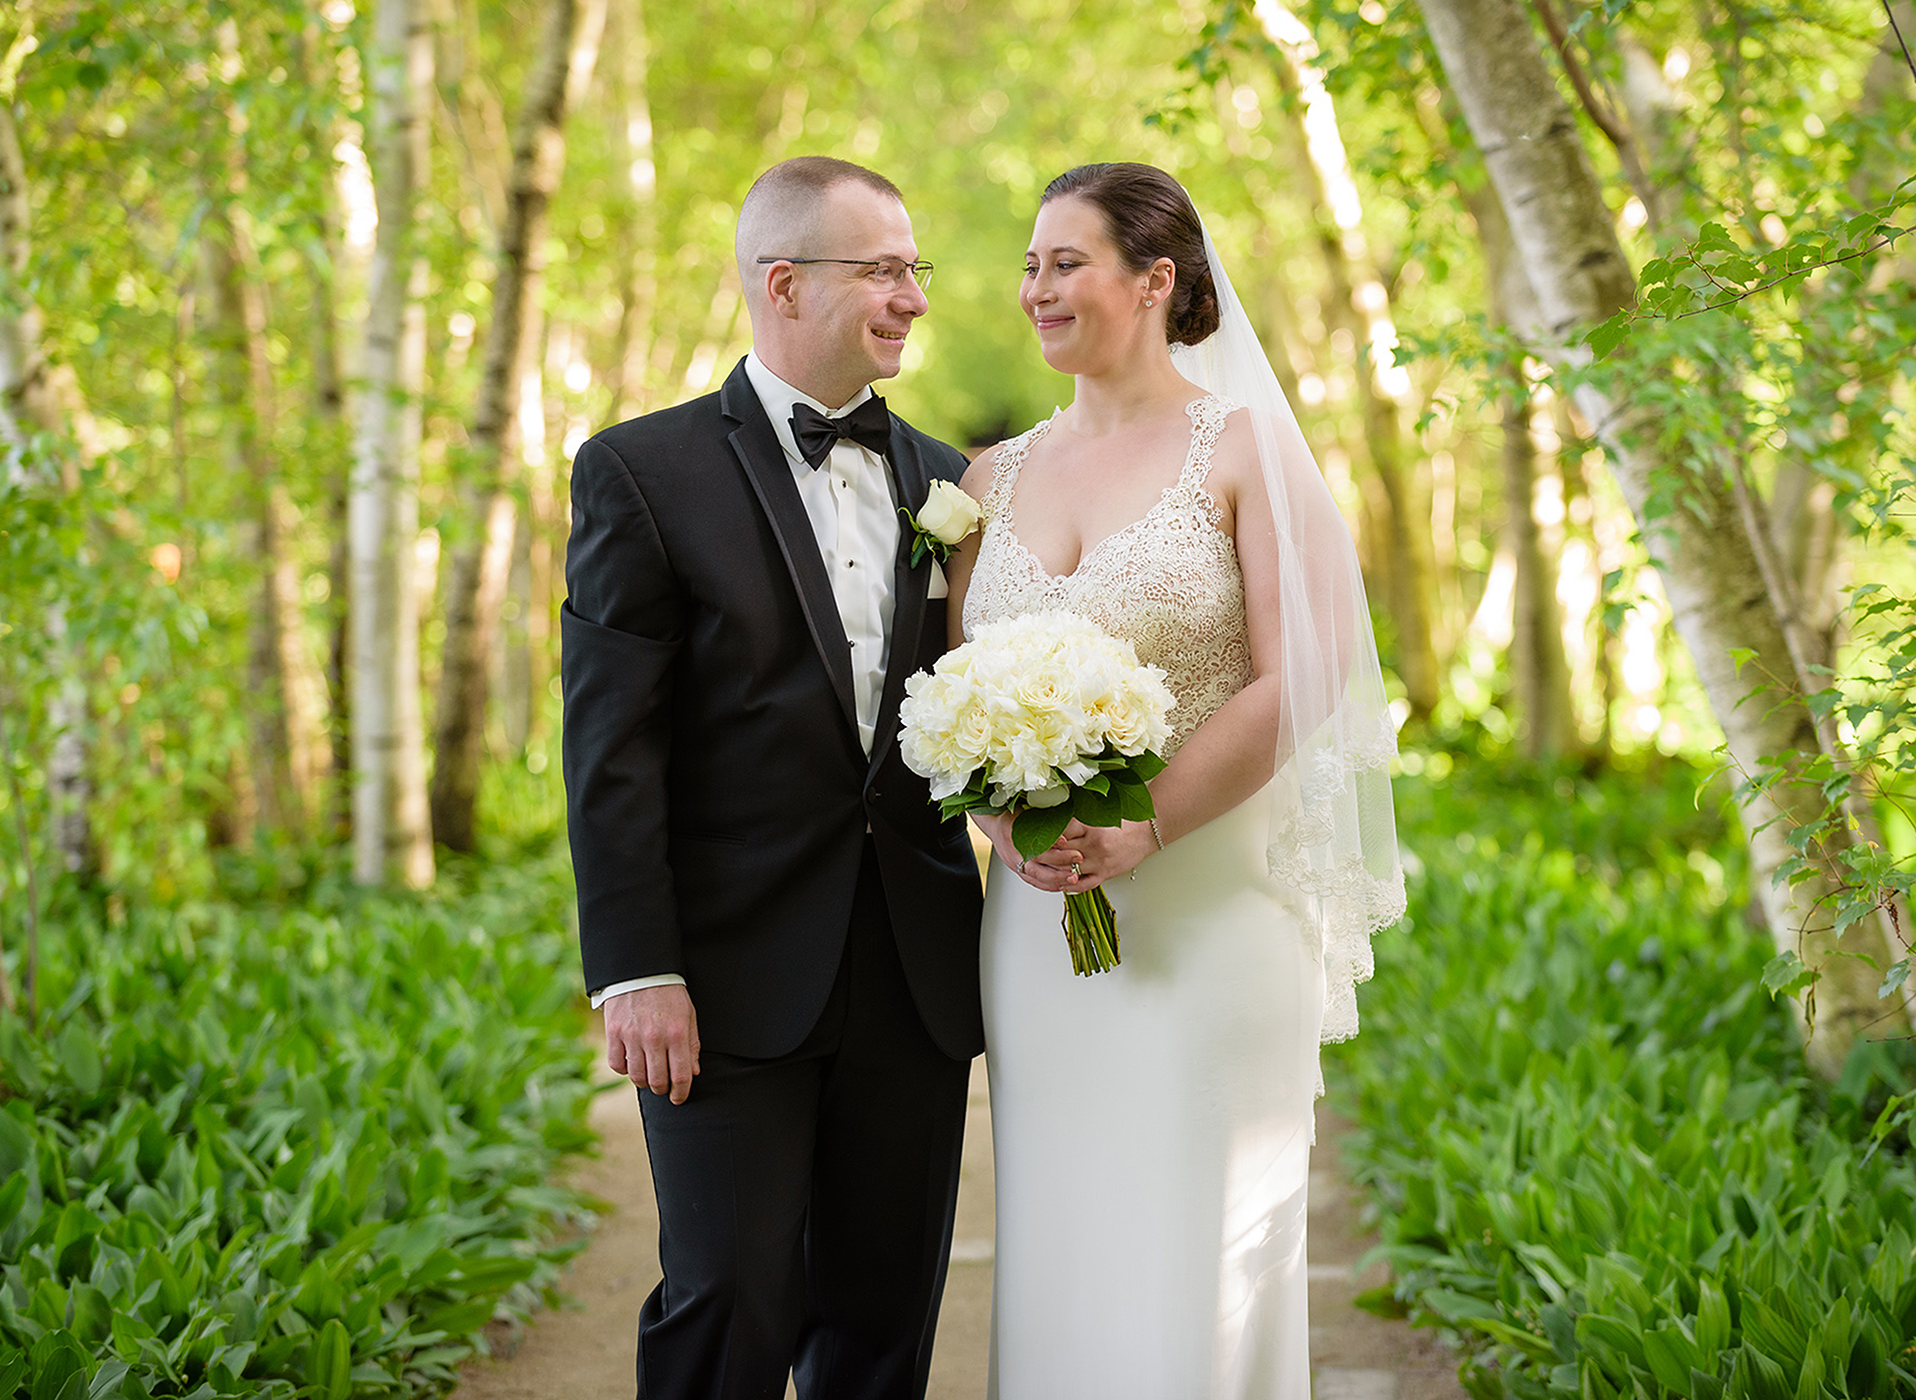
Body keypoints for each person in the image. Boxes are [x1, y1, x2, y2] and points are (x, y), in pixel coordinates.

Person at [943, 162, 1406, 1397]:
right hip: (1040, 930)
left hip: (1207, 917)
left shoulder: (1245, 449)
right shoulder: (986, 480)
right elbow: (949, 697)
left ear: (1155, 281)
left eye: (1065, 261)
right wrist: (1006, 819)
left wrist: (1142, 823)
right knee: (1062, 1228)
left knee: (1192, 1243)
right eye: (1030, 263)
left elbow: (1302, 673)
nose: (1036, 288)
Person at [561, 155, 983, 1400]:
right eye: (886, 270)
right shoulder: (641, 471)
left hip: (909, 971)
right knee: (729, 1297)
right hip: (724, 976)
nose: (913, 295)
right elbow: (609, 748)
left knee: (882, 1315)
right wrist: (637, 968)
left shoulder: (948, 479)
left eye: (916, 269)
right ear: (785, 282)